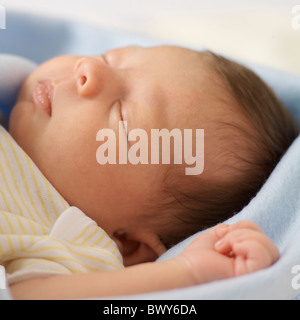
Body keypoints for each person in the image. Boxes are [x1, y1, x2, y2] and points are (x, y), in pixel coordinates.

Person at [1, 45, 298, 299]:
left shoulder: (70, 242)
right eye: (109, 57)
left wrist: (187, 272)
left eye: (122, 118)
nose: (89, 69)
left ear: (128, 244)